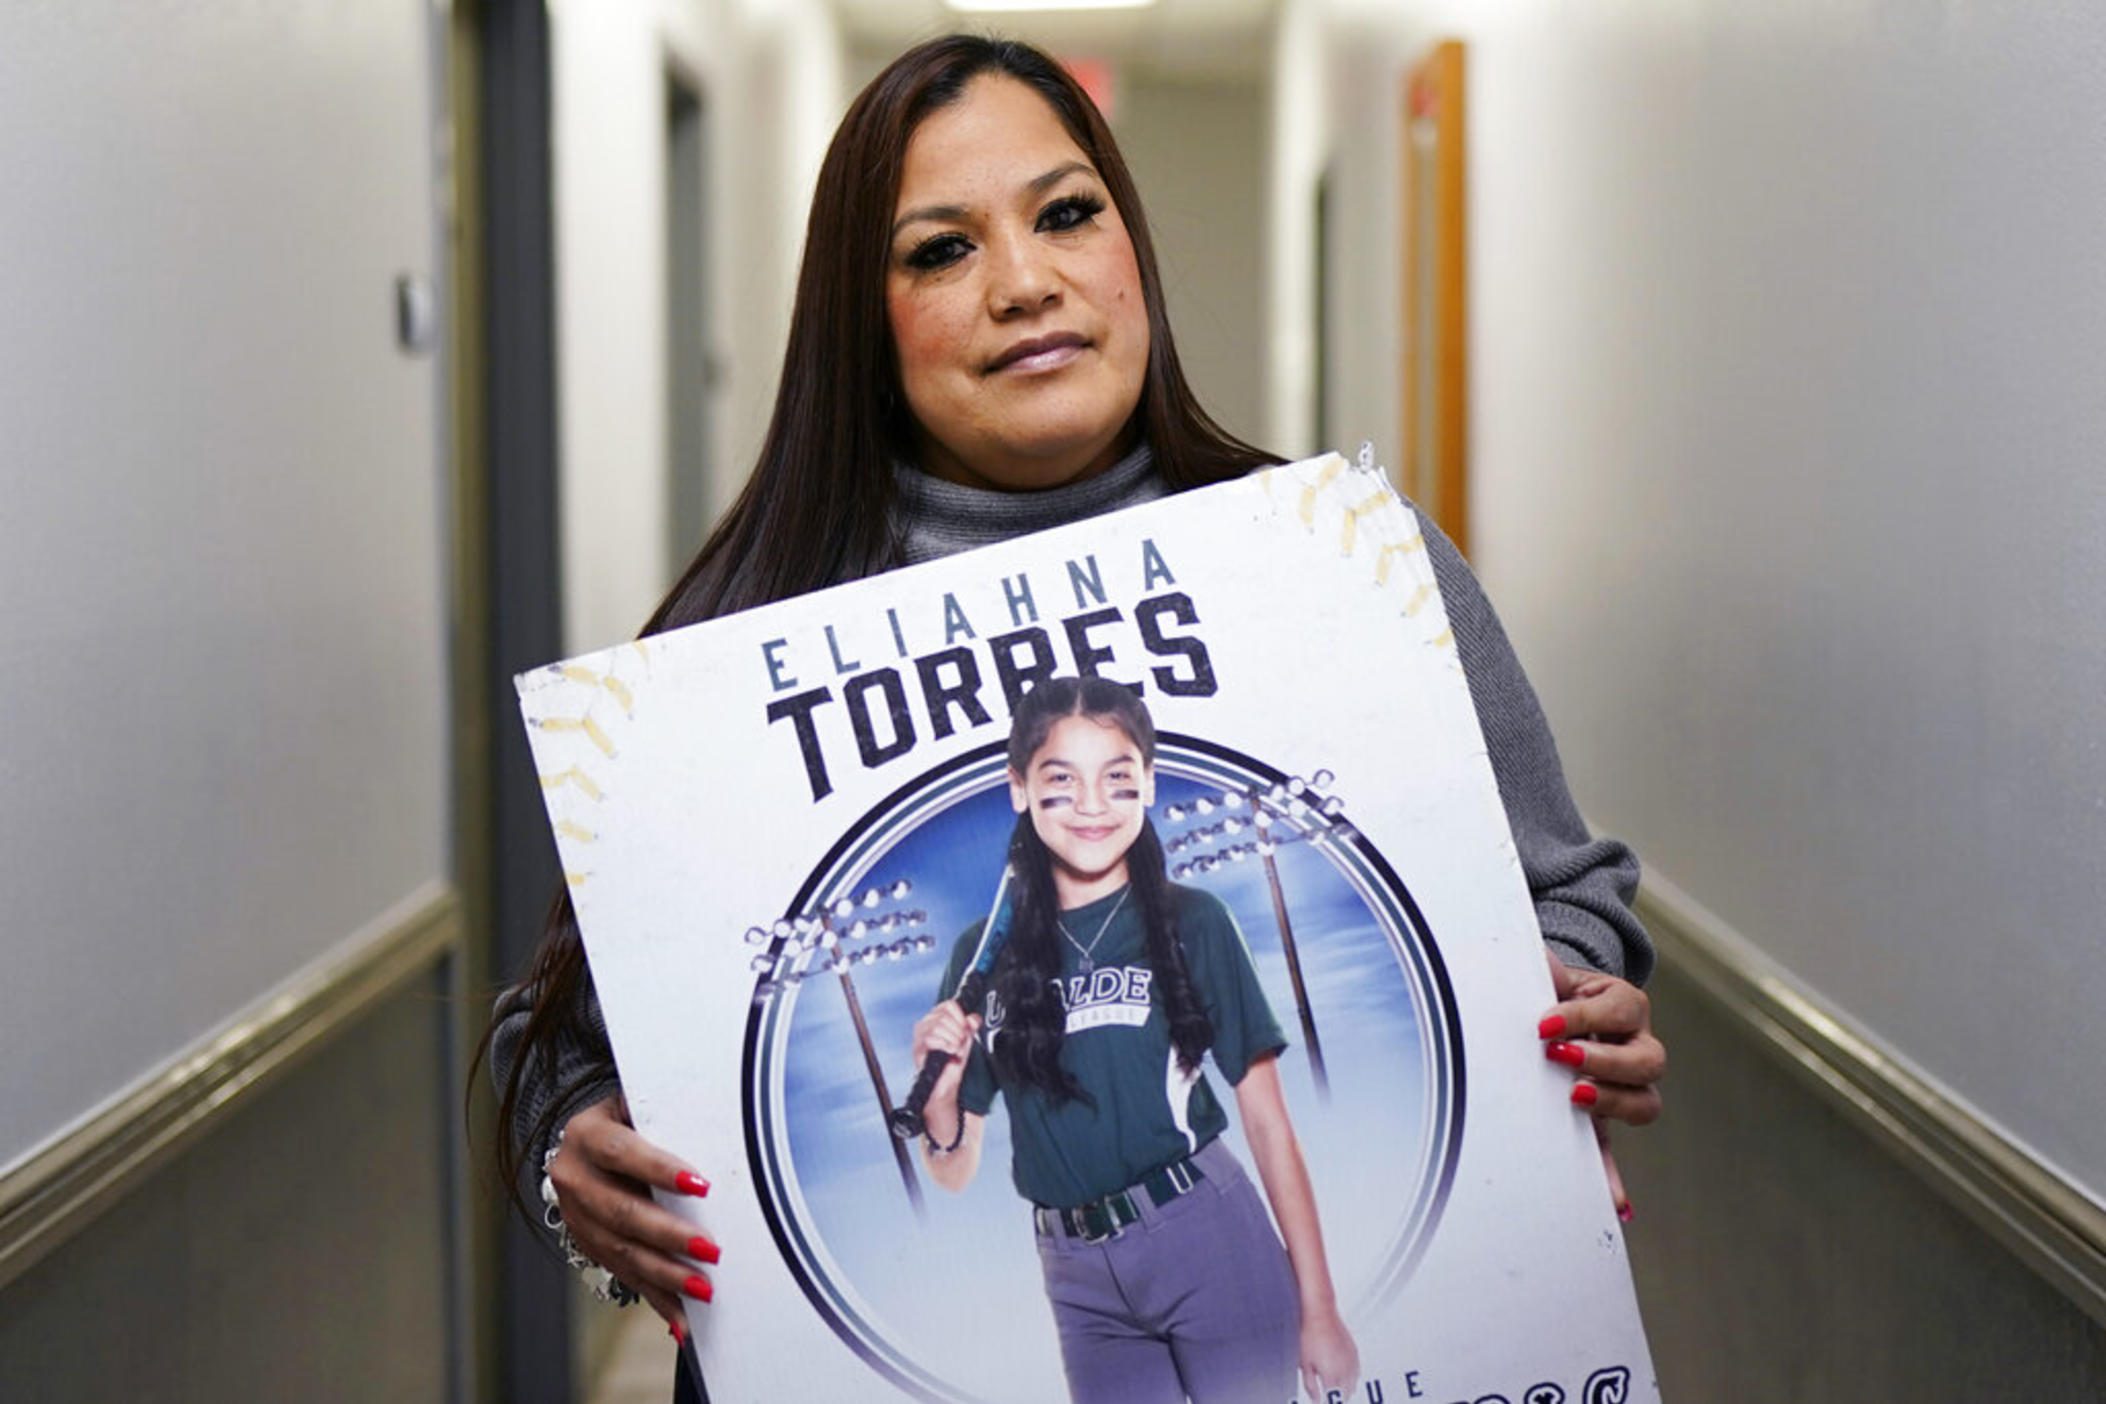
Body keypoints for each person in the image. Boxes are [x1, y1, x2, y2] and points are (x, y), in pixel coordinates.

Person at [483, 32, 1665, 1402]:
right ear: (860, 319)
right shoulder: (722, 665)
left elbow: (1567, 891)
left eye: (1064, 214)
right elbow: (552, 1038)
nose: (1025, 282)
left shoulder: (1347, 568)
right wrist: (577, 1155)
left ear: (1129, 245)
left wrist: (1570, 1012)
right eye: (940, 250)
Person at [910, 675, 1356, 1402]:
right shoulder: (981, 955)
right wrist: (942, 1092)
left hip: (1206, 1238)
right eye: (1062, 781)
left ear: (1148, 784)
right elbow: (954, 1172)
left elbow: (1270, 1125)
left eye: (1118, 780)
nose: (1092, 806)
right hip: (1074, 1274)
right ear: (1018, 788)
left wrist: (1322, 1308)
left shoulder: (1195, 921)